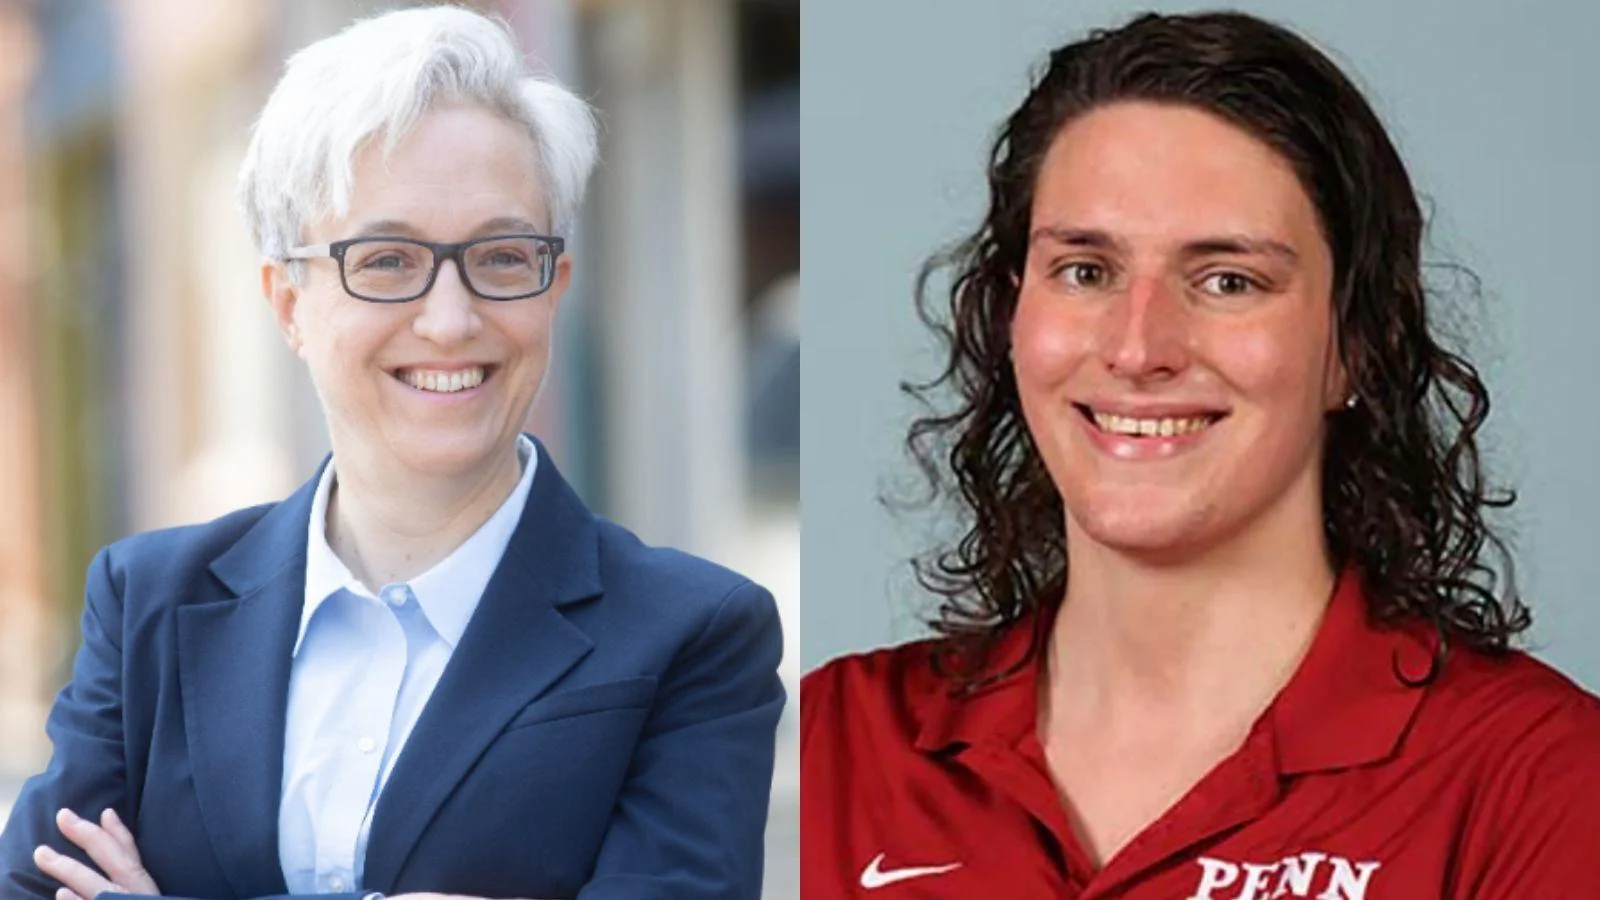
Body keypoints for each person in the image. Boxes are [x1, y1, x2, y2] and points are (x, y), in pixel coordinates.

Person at [801, 10, 1600, 899]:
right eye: (1086, 271)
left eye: (1228, 280)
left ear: (1356, 346)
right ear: (1010, 316)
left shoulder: (1539, 782)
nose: (1140, 348)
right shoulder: (830, 747)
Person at [0, 6, 783, 900]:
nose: (450, 320)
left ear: (552, 287)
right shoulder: (146, 607)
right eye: (386, 260)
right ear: (288, 302)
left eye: (499, 256)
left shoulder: (695, 636)